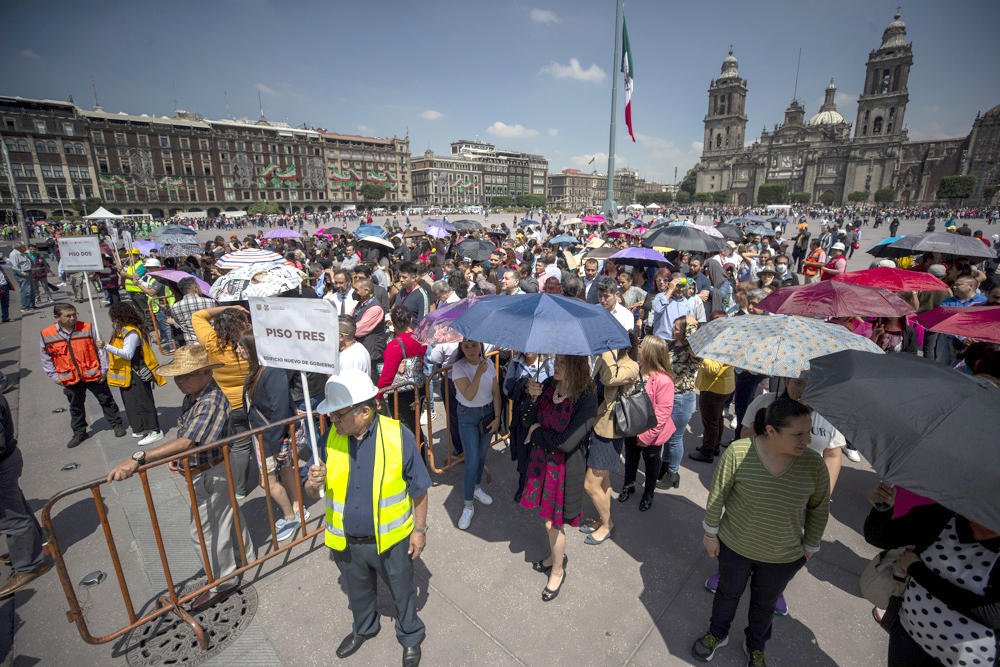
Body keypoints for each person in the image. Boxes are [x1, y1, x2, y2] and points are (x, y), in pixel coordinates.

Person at [106, 345, 256, 613]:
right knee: (226, 518)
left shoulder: (210, 400)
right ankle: (244, 559)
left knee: (204, 532)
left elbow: (187, 441)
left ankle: (223, 581)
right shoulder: (195, 395)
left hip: (213, 470)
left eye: (187, 375)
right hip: (208, 467)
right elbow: (187, 434)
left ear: (207, 373)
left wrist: (139, 457)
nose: (180, 381)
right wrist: (179, 456)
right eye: (178, 376)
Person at [305, 370, 430, 667]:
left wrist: (420, 531)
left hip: (392, 540)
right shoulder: (328, 439)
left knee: (402, 592)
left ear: (364, 411)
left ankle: (410, 635)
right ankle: (364, 628)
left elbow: (420, 489)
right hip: (347, 542)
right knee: (357, 591)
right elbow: (312, 493)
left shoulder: (398, 435)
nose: (332, 420)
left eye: (337, 414)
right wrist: (312, 482)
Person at [692, 397, 830, 665]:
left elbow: (818, 508)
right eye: (797, 434)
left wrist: (811, 546)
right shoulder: (739, 452)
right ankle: (717, 633)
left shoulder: (814, 465)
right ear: (771, 431)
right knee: (727, 594)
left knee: (764, 605)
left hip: (783, 556)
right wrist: (710, 534)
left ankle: (756, 645)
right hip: (735, 546)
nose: (806, 440)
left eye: (809, 432)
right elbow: (718, 495)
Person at [864, 484, 1000, 667]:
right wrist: (882, 508)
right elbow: (880, 537)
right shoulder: (943, 516)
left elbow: (991, 613)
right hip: (907, 637)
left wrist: (918, 571)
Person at [519, 355, 598, 602]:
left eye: (563, 363)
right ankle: (554, 556)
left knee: (553, 523)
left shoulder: (587, 399)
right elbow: (527, 422)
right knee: (547, 518)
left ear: (576, 366)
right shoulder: (549, 388)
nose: (557, 366)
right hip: (541, 464)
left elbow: (566, 444)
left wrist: (537, 434)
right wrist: (531, 397)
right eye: (557, 361)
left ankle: (557, 570)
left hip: (564, 470)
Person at [237, 331, 304, 543]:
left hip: (271, 439)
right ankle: (297, 506)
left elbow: (280, 410)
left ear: (253, 349)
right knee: (285, 471)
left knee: (266, 482)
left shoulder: (271, 372)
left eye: (241, 346)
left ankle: (290, 516)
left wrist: (275, 445)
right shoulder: (259, 370)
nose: (237, 350)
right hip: (269, 437)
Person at [41, 303, 126, 448]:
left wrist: (104, 370)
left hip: (93, 374)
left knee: (107, 401)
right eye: (68, 316)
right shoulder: (47, 334)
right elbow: (46, 357)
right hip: (69, 377)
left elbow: (101, 350)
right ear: (57, 317)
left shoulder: (87, 327)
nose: (72, 318)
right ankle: (79, 432)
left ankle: (116, 425)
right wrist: (54, 376)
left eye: (74, 314)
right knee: (76, 407)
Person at [192, 305, 254, 497]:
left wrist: (227, 307)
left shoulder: (210, 342)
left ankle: (232, 485)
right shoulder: (250, 346)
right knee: (251, 444)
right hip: (250, 402)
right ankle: (251, 484)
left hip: (224, 405)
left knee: (232, 446)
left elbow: (198, 315)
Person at [583, 342, 640, 545]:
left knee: (590, 485)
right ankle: (602, 517)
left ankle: (608, 525)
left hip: (610, 431)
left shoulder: (631, 365)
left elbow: (609, 379)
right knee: (603, 479)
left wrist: (607, 353)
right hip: (596, 424)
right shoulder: (604, 359)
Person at [0, 394, 50, 598]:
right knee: (17, 509)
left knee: (12, 520)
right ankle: (29, 548)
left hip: (3, 464)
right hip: (8, 460)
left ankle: (29, 565)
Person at [618, 335, 675, 512]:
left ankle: (648, 493)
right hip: (632, 425)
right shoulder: (637, 370)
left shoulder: (664, 380)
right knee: (631, 458)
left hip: (651, 431)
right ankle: (629, 485)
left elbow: (662, 413)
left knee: (651, 462)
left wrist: (646, 436)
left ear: (650, 352)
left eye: (642, 346)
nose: (639, 348)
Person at [451, 340, 502, 530]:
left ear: (480, 345)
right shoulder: (458, 367)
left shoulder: (488, 363)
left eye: (474, 345)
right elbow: (469, 395)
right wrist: (479, 374)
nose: (471, 350)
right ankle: (468, 505)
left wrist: (497, 417)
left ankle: (477, 488)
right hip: (468, 416)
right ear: (461, 348)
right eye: (466, 347)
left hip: (488, 414)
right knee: (471, 461)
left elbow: (496, 392)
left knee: (481, 456)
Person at [99, 303, 165, 446]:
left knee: (143, 402)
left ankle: (154, 430)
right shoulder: (122, 331)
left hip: (136, 373)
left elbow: (128, 354)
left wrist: (106, 347)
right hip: (127, 374)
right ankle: (141, 427)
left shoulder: (131, 332)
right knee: (132, 403)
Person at [504, 351, 554, 501]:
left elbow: (555, 387)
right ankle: (523, 486)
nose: (528, 349)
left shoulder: (549, 363)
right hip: (522, 416)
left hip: (541, 416)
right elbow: (507, 388)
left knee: (540, 452)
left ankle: (542, 487)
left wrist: (539, 390)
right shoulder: (515, 362)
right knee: (523, 452)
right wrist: (525, 386)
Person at [376, 306, 427, 446]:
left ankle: (415, 462)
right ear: (411, 320)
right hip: (418, 386)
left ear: (392, 323)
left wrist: (378, 395)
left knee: (406, 429)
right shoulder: (419, 338)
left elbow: (387, 376)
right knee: (414, 425)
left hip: (401, 392)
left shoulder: (395, 345)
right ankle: (420, 456)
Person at [689, 312, 735, 464]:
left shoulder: (723, 342)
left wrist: (703, 353)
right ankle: (714, 446)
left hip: (714, 388)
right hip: (720, 387)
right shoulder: (725, 339)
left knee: (710, 422)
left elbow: (714, 368)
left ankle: (707, 451)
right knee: (717, 419)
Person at [168, 277, 216, 346]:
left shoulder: (174, 307)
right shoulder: (210, 302)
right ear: (195, 288)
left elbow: (179, 323)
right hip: (210, 340)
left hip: (191, 345)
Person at [651, 273, 693, 340]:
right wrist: (670, 289)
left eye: (683, 286)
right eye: (677, 286)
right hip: (662, 340)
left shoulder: (685, 301)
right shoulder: (661, 296)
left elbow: (687, 321)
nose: (681, 289)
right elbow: (658, 310)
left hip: (678, 341)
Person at [8, 243, 35, 312]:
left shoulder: (21, 253)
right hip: (22, 274)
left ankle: (31, 305)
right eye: (23, 246)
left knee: (31, 289)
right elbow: (14, 267)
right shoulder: (14, 254)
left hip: (28, 272)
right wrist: (23, 274)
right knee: (26, 290)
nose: (25, 248)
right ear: (19, 247)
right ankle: (24, 306)